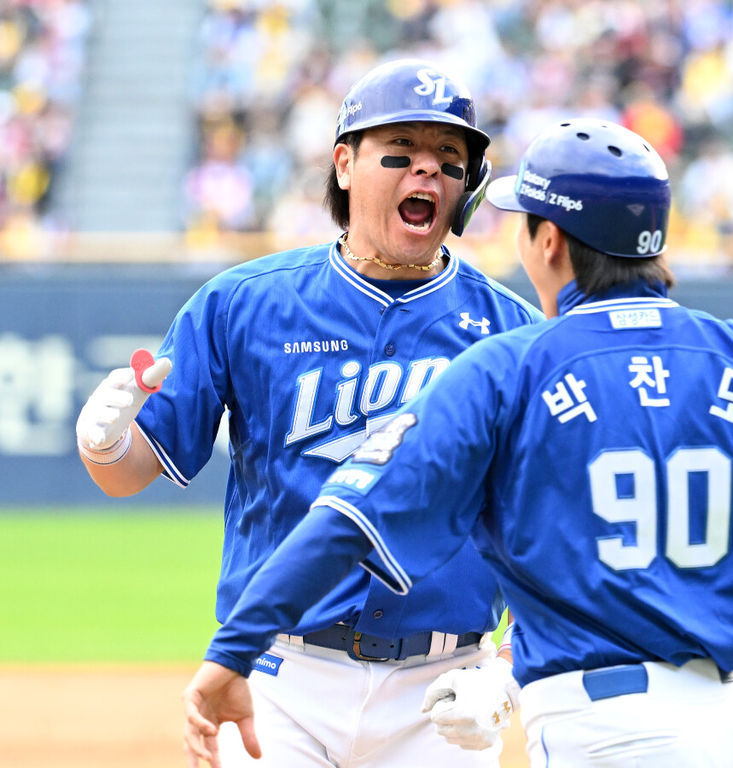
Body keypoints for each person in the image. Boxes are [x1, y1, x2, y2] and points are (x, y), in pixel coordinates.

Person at [180, 119, 733, 767]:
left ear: (550, 242)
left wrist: (232, 652)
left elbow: (347, 521)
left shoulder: (508, 367)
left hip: (594, 733)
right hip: (726, 728)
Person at [75, 58, 543, 768]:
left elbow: (553, 534)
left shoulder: (513, 331)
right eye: (401, 153)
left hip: (445, 691)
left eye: (450, 160)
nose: (427, 173)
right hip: (277, 676)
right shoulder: (243, 303)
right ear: (345, 165)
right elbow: (131, 472)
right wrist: (105, 444)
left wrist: (506, 672)